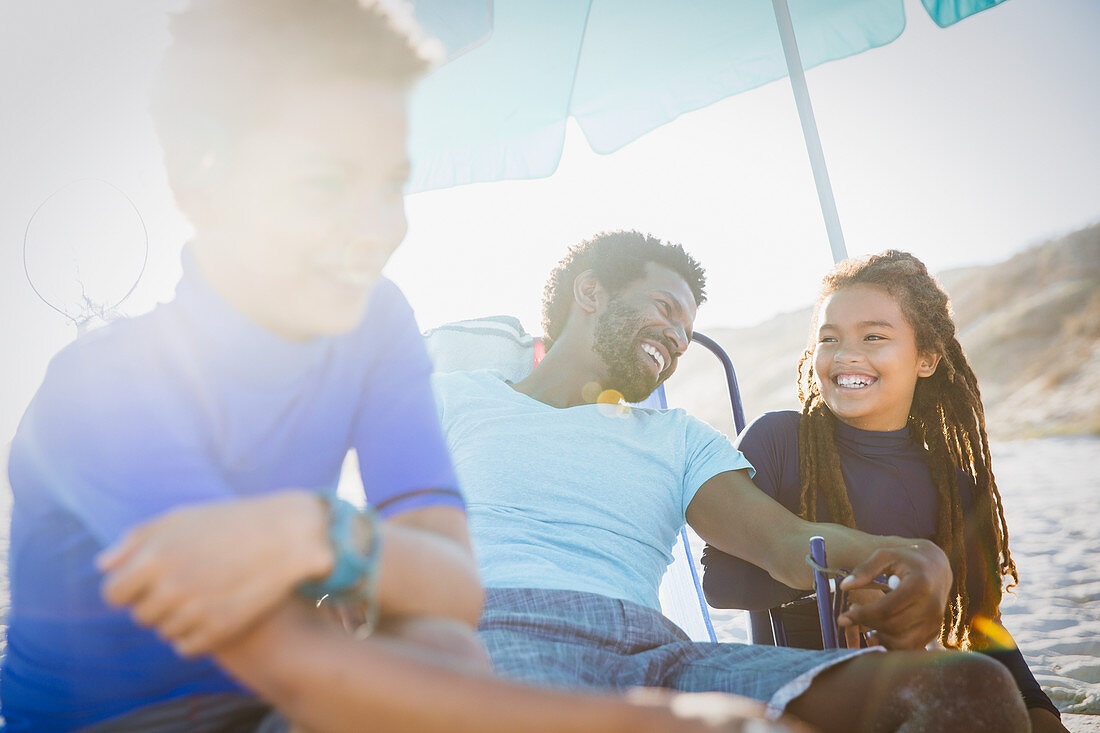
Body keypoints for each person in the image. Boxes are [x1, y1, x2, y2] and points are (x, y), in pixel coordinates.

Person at [3, 3, 788, 732]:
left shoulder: (371, 322)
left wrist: (319, 531)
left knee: (443, 645)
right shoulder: (105, 390)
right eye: (323, 184)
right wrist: (653, 721)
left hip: (273, 702)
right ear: (196, 178)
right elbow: (299, 667)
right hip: (122, 718)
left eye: (391, 183)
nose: (375, 229)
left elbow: (451, 584)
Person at [431, 231, 1031, 732]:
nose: (677, 337)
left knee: (970, 689)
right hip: (494, 629)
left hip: (656, 656)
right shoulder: (455, 400)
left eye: (687, 330)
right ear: (590, 291)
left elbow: (784, 542)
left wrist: (911, 555)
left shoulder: (679, 438)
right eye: (666, 309)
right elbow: (378, 522)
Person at [700, 250, 1068, 732]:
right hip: (803, 684)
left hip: (909, 675)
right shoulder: (778, 440)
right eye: (829, 339)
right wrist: (853, 580)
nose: (847, 353)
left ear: (927, 358)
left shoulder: (953, 478)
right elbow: (720, 585)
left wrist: (1040, 709)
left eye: (874, 336)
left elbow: (981, 624)